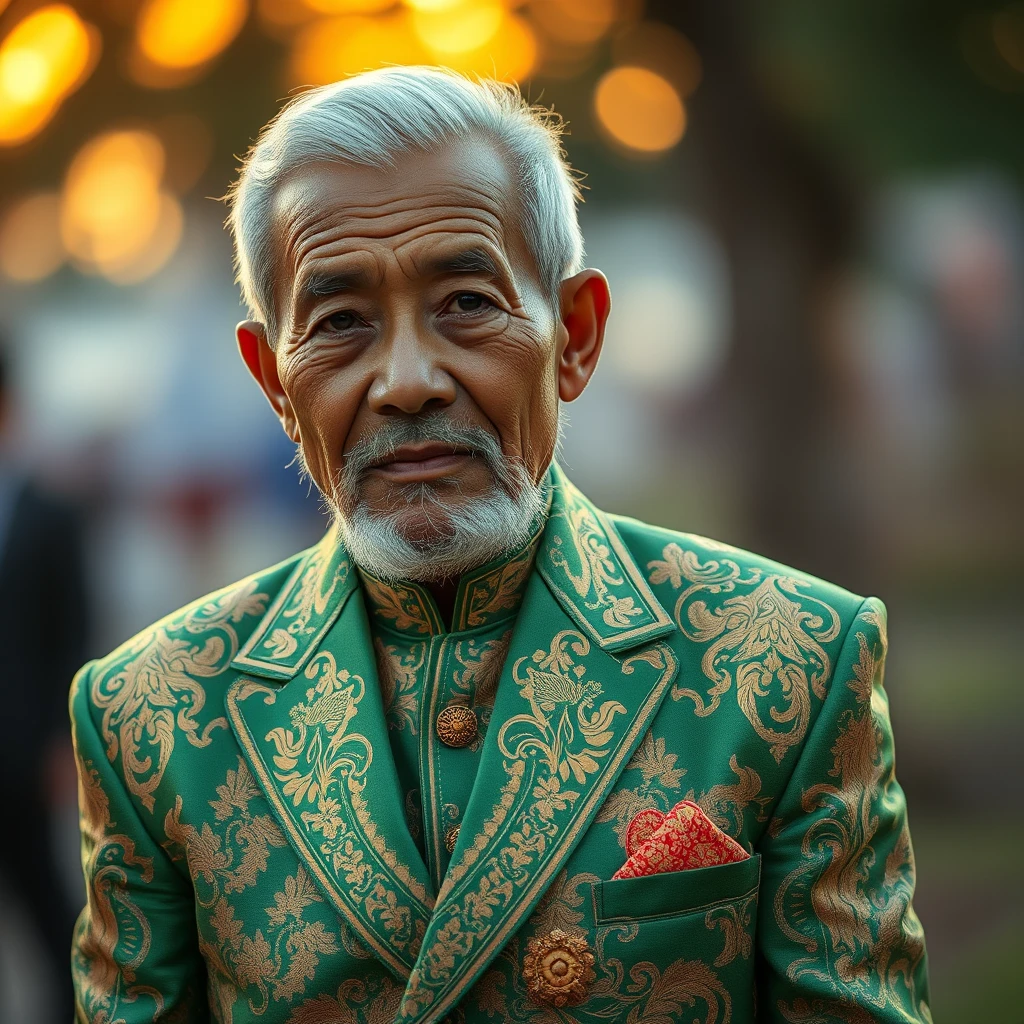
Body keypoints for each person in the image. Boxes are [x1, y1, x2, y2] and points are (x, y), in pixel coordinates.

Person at [69, 67, 931, 1023]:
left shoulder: (792, 661)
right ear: (275, 380)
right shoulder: (153, 717)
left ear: (575, 335)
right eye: (341, 322)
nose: (406, 381)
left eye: (467, 302)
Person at [0, 341, 89, 1024]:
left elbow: (71, 633)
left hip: (22, 754)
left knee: (52, 914)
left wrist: (65, 742)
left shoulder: (50, 513)